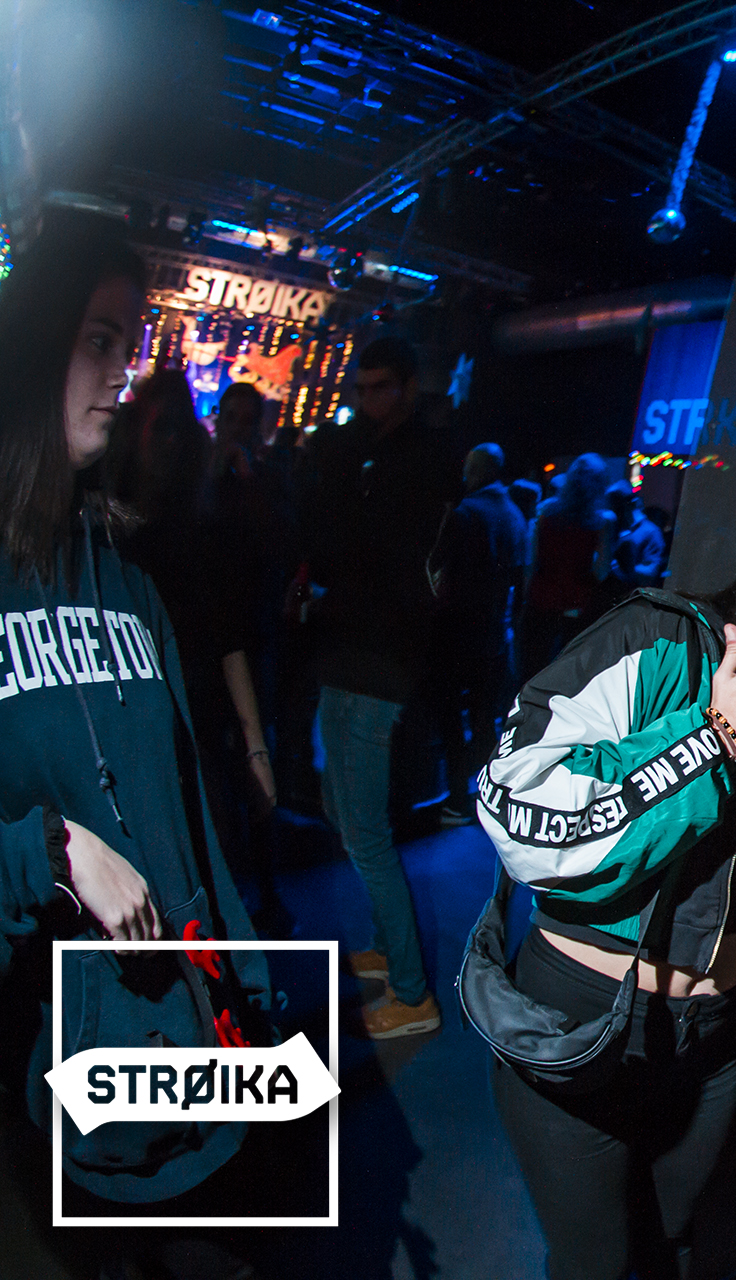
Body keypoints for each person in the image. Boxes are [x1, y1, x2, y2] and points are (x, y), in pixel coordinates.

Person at [483, 518, 736, 1280]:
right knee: (595, 1265)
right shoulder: (663, 635)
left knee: (673, 1245)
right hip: (583, 1023)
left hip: (712, 1043)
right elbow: (520, 807)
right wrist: (720, 736)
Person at [0, 217, 267, 1214]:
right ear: (35, 346)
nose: (125, 373)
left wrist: (249, 979)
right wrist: (56, 850)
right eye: (100, 340)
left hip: (190, 1044)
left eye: (133, 342)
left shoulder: (130, 580)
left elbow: (188, 811)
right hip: (53, 1072)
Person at [300, 334, 461, 1038]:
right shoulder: (372, 454)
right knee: (345, 813)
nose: (367, 402)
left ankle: (414, 994)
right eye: (360, 389)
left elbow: (376, 555)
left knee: (364, 831)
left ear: (406, 387)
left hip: (377, 663)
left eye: (379, 388)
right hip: (351, 656)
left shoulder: (418, 459)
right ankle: (387, 949)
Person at [104, 370, 281, 919]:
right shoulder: (104, 533)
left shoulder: (203, 526)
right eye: (159, 429)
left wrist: (255, 748)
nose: (169, 444)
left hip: (196, 726)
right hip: (128, 732)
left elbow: (229, 640)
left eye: (179, 431)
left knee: (211, 876)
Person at [427, 443, 530, 823]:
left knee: (452, 718)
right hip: (494, 634)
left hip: (458, 631)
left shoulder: (466, 513)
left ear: (475, 471)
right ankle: (485, 796)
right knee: (486, 720)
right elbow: (520, 579)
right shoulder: (515, 514)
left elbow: (437, 565)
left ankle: (456, 798)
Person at [524, 453, 618, 670]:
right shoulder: (602, 521)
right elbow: (601, 571)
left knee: (533, 668)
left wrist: (526, 598)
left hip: (540, 600)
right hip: (576, 605)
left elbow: (531, 562)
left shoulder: (545, 512)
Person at [607, 480, 668, 591]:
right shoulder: (615, 527)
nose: (613, 510)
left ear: (632, 503)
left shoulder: (651, 532)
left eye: (617, 504)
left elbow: (650, 574)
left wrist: (617, 566)